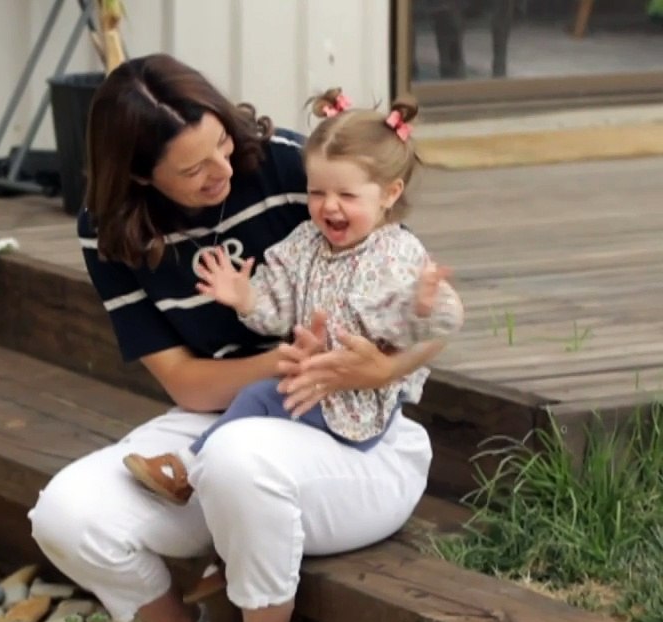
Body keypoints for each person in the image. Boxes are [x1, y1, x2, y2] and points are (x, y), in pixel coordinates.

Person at [27, 54, 447, 622]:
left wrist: (379, 367)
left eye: (221, 143)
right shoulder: (110, 227)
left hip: (352, 430)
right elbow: (189, 385)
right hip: (229, 413)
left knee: (238, 455)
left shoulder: (289, 164)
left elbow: (407, 301)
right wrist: (283, 359)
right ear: (141, 174)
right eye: (194, 169)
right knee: (65, 515)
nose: (223, 171)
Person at [122, 87, 463, 506]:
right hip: (308, 380)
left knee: (258, 404)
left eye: (347, 196)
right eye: (317, 193)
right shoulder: (306, 242)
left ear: (390, 194)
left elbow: (426, 325)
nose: (329, 207)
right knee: (259, 400)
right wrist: (246, 296)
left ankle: (189, 468)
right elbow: (278, 309)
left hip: (355, 399)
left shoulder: (396, 255)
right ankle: (199, 492)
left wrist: (422, 307)